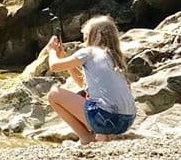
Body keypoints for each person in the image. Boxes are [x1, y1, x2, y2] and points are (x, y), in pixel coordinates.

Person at [46, 15, 137, 144]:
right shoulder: (115, 57)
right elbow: (84, 84)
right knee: (93, 98)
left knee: (54, 94)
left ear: (97, 36)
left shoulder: (89, 52)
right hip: (127, 121)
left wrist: (52, 51)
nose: (84, 41)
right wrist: (64, 57)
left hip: (107, 118)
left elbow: (54, 67)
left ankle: (86, 137)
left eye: (86, 36)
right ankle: (105, 135)